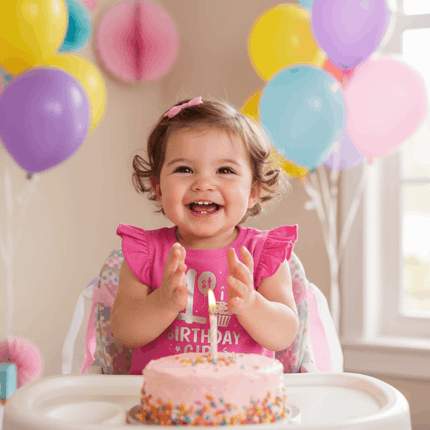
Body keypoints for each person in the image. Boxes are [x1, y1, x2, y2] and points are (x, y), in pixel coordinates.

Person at [111, 97, 299, 375]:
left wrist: (251, 304)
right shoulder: (146, 252)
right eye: (184, 169)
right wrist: (163, 302)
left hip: (242, 406)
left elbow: (283, 334)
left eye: (225, 170)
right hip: (161, 407)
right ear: (159, 188)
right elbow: (124, 331)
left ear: (253, 192)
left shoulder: (261, 254)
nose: (203, 184)